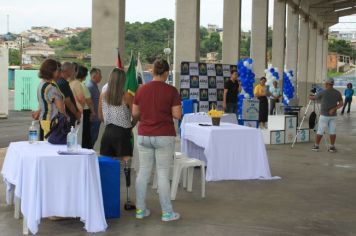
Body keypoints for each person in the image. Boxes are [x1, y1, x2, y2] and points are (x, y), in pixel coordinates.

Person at [132, 59, 181, 222]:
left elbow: (135, 114)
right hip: (164, 135)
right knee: (162, 174)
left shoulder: (141, 90)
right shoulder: (172, 91)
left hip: (144, 134)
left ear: (152, 71)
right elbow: (177, 115)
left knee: (143, 172)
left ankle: (140, 210)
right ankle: (167, 213)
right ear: (167, 73)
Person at [99, 68, 137, 210]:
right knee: (126, 167)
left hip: (108, 133)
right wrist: (132, 124)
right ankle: (127, 199)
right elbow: (135, 114)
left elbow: (100, 116)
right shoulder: (127, 96)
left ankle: (105, 198)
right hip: (123, 133)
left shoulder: (103, 95)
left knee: (106, 167)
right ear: (123, 81)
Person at [32, 59, 66, 138]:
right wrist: (65, 118)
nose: (59, 72)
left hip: (44, 120)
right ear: (52, 71)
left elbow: (44, 102)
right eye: (57, 69)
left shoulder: (41, 84)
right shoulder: (51, 87)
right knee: (52, 146)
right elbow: (60, 107)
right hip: (52, 121)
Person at [310, 78, 343, 152]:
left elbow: (314, 98)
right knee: (333, 131)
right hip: (333, 116)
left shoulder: (323, 92)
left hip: (324, 115)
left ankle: (316, 146)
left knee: (320, 130)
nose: (325, 84)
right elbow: (341, 104)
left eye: (325, 83)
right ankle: (332, 147)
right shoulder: (337, 93)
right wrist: (334, 109)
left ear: (327, 84)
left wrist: (310, 97)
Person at [56, 62, 81, 126]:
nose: (74, 73)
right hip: (67, 116)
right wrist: (76, 113)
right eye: (73, 70)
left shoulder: (58, 81)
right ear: (68, 71)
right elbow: (68, 102)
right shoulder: (63, 83)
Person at [87, 68, 102, 147]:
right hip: (93, 119)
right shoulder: (90, 87)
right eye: (100, 75)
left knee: (94, 137)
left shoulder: (94, 86)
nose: (101, 77)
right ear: (94, 76)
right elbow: (88, 103)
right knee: (91, 138)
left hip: (96, 118)